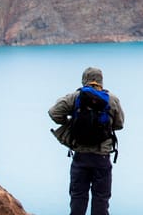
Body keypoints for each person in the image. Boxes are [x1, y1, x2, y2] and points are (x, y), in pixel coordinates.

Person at [49, 67, 125, 215]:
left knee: (78, 198)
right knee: (101, 199)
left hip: (80, 157)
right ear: (101, 81)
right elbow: (120, 124)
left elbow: (54, 113)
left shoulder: (75, 97)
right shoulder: (112, 99)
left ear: (84, 80)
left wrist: (70, 123)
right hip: (102, 157)